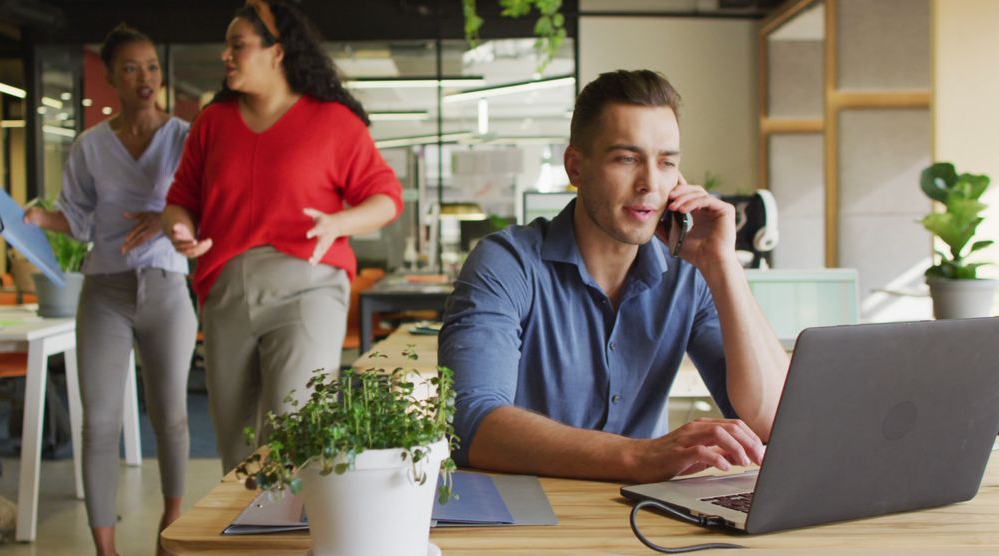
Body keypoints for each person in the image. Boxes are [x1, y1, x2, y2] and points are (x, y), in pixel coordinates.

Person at [439, 70, 789, 484]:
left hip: (648, 518)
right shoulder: (507, 263)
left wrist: (722, 264)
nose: (649, 184)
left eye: (666, 163)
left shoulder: (688, 274)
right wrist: (639, 457)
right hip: (532, 516)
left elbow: (775, 424)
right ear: (576, 167)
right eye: (627, 158)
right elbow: (470, 421)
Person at [162, 0, 402, 475]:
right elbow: (180, 198)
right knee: (234, 442)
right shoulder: (213, 123)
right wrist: (181, 228)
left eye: (238, 46)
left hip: (307, 286)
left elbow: (387, 199)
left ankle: (290, 540)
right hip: (227, 291)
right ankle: (248, 541)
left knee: (295, 429)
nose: (225, 56)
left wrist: (339, 223)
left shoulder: (334, 123)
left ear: (277, 52)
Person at [23, 23, 195, 556]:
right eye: (131, 68)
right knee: (98, 421)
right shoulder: (90, 146)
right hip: (105, 291)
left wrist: (168, 218)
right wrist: (35, 219)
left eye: (151, 67)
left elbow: (204, 205)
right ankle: (105, 554)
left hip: (167, 289)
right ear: (111, 77)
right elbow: (75, 221)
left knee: (170, 415)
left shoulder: (184, 138)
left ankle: (171, 527)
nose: (145, 78)